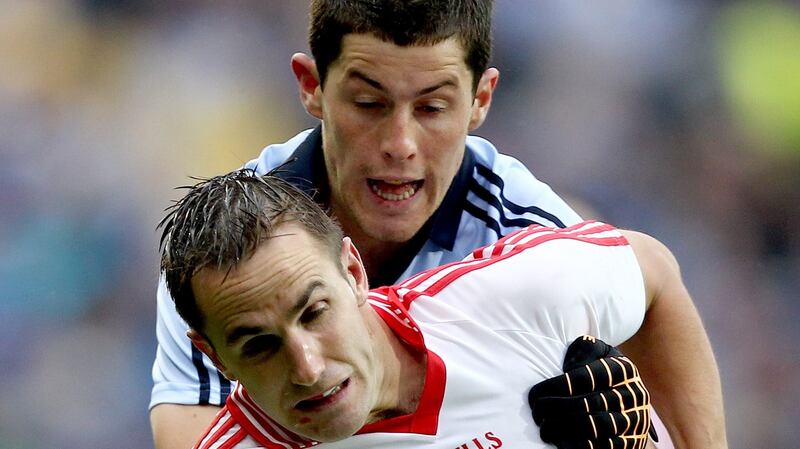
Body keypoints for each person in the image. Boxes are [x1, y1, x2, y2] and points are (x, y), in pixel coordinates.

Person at [149, 1, 723, 448]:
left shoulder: (527, 237)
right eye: (369, 104)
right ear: (312, 86)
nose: (399, 145)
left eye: (432, 107)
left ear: (480, 100)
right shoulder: (226, 262)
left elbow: (653, 282)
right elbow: (193, 437)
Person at [158, 171, 726, 449]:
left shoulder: (509, 299)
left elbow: (653, 271)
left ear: (354, 273)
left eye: (314, 313)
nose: (307, 367)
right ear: (215, 358)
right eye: (258, 344)